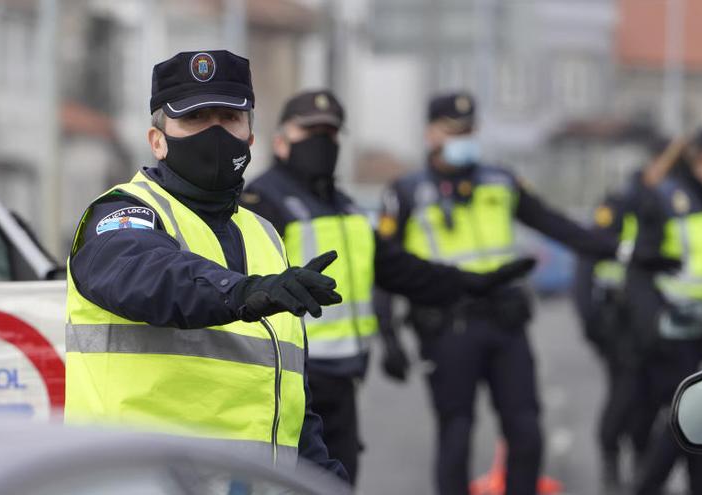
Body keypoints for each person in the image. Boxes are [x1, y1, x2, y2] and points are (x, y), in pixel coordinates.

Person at [63, 50, 347, 480]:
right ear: (157, 140)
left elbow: (286, 395)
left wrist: (322, 480)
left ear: (251, 137)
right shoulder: (122, 214)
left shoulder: (265, 235)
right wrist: (240, 293)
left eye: (229, 119)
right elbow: (145, 275)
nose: (215, 133)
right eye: (195, 119)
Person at [373, 92, 671, 495]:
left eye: (470, 130)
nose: (465, 138)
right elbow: (386, 265)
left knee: (527, 433)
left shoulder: (500, 180)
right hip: (447, 328)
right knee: (456, 436)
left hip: (505, 322)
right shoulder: (406, 192)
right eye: (454, 130)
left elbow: (556, 225)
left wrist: (624, 251)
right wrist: (387, 332)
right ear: (431, 133)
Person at [240, 90, 537, 484]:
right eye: (310, 130)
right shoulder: (260, 202)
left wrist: (475, 283)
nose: (321, 141)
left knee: (339, 482)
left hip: (343, 381)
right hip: (289, 380)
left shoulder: (344, 207)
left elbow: (400, 270)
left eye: (330, 133)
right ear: (280, 139)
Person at [629, 129, 702, 495]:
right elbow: (640, 269)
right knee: (687, 415)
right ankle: (644, 487)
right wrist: (654, 324)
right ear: (701, 161)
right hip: (677, 327)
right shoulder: (667, 198)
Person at [572, 175, 657, 492]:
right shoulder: (615, 211)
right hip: (617, 323)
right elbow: (585, 268)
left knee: (646, 401)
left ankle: (642, 466)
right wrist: (590, 323)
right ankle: (611, 459)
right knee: (625, 395)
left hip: (647, 325)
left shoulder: (655, 209)